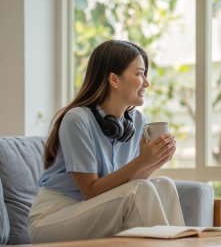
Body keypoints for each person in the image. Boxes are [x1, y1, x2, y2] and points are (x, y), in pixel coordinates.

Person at [28, 40, 185, 243]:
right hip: (54, 218)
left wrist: (155, 161)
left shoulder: (137, 122)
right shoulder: (77, 119)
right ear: (114, 79)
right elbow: (91, 191)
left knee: (163, 184)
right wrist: (142, 161)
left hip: (98, 209)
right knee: (142, 189)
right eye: (139, 74)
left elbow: (131, 184)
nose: (146, 82)